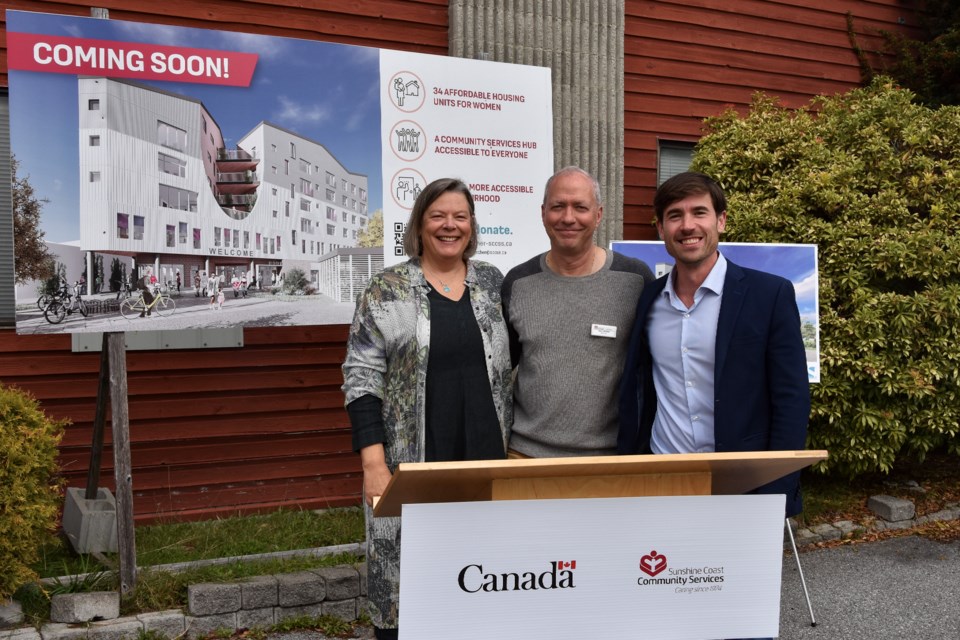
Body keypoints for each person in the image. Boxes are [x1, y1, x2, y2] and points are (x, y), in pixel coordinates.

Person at [341, 178, 512, 639]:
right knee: (406, 596)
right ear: (420, 224)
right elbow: (360, 376)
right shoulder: (386, 288)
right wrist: (372, 463)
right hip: (410, 467)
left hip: (484, 464)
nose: (449, 225)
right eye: (438, 216)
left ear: (472, 227)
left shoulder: (493, 283)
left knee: (482, 586)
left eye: (459, 216)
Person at [618, 171, 810, 517]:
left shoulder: (769, 295)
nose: (687, 225)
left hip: (742, 484)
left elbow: (791, 399)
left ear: (721, 220)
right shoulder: (648, 299)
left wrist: (777, 489)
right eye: (675, 215)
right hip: (663, 478)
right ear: (661, 229)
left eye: (699, 212)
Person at [502, 166, 654, 458]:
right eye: (558, 206)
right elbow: (498, 371)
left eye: (580, 207)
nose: (568, 217)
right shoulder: (518, 283)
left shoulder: (635, 279)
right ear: (543, 213)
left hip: (611, 459)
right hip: (524, 456)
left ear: (597, 215)